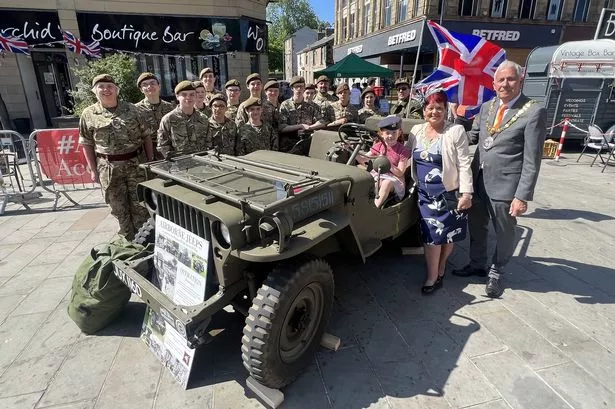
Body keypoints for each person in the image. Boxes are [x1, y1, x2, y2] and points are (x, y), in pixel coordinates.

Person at [452, 60, 546, 298]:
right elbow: (474, 137)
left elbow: (532, 159)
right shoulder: (487, 107)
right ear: (493, 83)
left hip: (506, 185)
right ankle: (477, 264)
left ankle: (497, 270)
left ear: (520, 80)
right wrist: (449, 129)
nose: (505, 84)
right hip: (478, 179)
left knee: (504, 231)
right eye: (501, 80)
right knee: (476, 225)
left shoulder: (534, 111)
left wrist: (522, 196)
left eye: (510, 79)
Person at [406, 91, 473, 295]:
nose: (434, 112)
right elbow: (407, 157)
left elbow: (463, 163)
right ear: (424, 110)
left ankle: (441, 266)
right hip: (425, 195)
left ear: (445, 110)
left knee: (448, 236)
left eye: (439, 108)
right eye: (430, 108)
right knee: (431, 236)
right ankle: (432, 276)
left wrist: (467, 193)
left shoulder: (455, 131)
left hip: (450, 193)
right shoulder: (415, 131)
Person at [79, 74, 154, 240]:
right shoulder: (88, 114)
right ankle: (127, 240)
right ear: (95, 91)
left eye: (110, 86)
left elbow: (146, 136)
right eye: (101, 86)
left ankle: (144, 241)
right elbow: (86, 143)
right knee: (118, 208)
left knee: (140, 206)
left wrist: (149, 162)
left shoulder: (133, 110)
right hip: (108, 169)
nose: (106, 90)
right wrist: (92, 170)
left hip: (136, 166)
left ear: (116, 90)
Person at [356, 115, 410, 208]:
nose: (391, 136)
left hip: (394, 180)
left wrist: (387, 161)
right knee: (368, 181)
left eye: (394, 132)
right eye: (387, 132)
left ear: (399, 133)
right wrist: (352, 151)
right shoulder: (378, 146)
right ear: (381, 133)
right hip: (378, 176)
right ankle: (361, 205)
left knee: (386, 183)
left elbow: (400, 173)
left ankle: (374, 209)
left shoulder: (403, 150)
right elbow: (363, 160)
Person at [157, 80, 210, 159]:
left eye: (192, 94)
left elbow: (208, 143)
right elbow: (163, 146)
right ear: (177, 96)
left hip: (202, 164)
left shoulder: (203, 119)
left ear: (195, 96)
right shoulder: (168, 119)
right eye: (184, 95)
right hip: (179, 165)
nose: (188, 98)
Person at [278, 76, 326, 154]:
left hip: (307, 144)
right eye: (296, 87)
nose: (299, 89)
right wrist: (300, 126)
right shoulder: (285, 105)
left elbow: (322, 122)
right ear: (292, 88)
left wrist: (309, 127)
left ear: (304, 88)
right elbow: (281, 127)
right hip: (289, 145)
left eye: (301, 86)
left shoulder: (311, 106)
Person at [134, 72, 175, 160]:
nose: (149, 86)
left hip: (169, 152)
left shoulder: (170, 107)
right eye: (145, 85)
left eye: (153, 83)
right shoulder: (135, 110)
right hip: (147, 154)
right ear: (141, 89)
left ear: (159, 86)